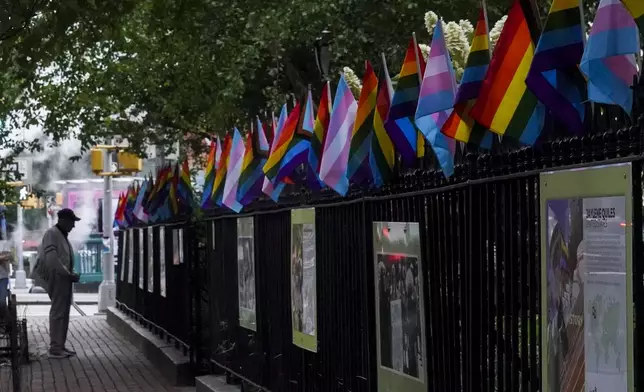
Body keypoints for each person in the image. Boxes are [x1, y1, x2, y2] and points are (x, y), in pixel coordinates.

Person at [34, 208, 81, 358]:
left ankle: (60, 345)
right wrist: (67, 274)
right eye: (72, 222)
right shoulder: (52, 234)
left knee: (64, 313)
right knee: (58, 313)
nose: (73, 226)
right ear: (64, 221)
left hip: (64, 278)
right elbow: (52, 258)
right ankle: (55, 347)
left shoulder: (60, 234)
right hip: (58, 278)